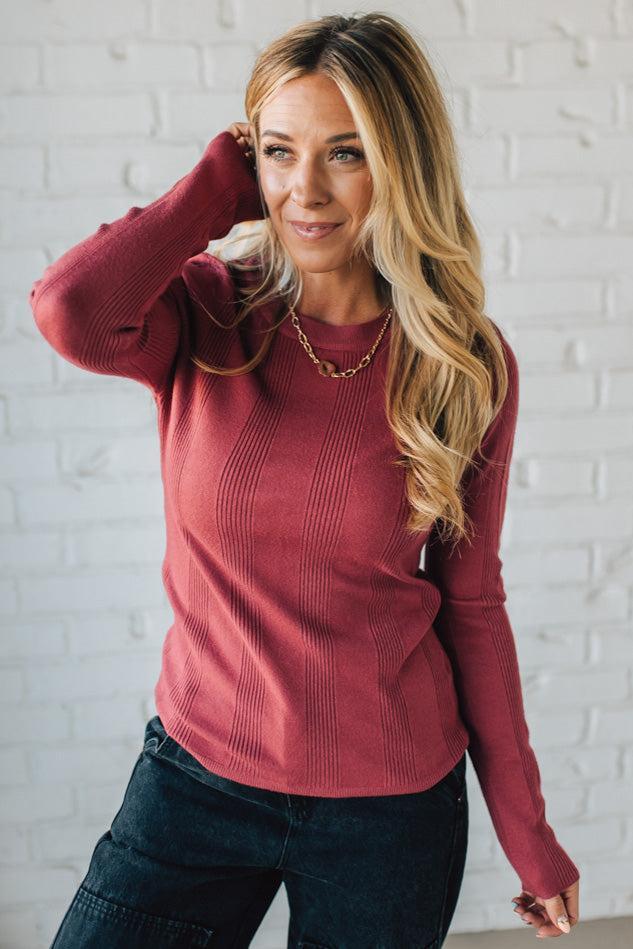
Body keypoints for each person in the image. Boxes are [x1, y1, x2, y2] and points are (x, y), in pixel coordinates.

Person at [30, 11, 580, 949]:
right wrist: (212, 190)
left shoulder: (461, 363)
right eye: (280, 152)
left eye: (346, 153)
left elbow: (471, 602)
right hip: (195, 781)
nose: (305, 190)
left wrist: (528, 835)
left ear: (401, 164)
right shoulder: (204, 310)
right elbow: (70, 309)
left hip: (388, 810)